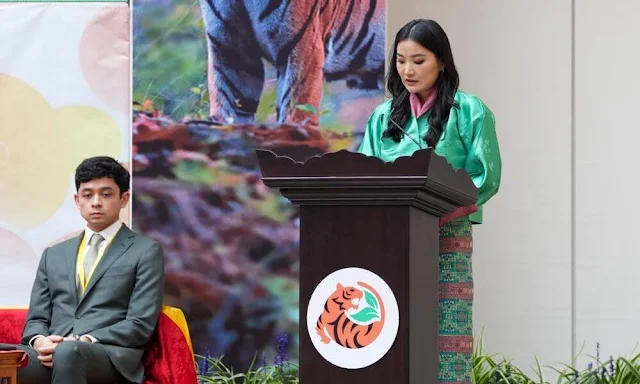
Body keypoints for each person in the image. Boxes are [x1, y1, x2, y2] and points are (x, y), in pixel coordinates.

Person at [357, 19, 501, 383]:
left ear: (442, 62)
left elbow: (486, 177)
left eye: (418, 60)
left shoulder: (470, 111)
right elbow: (364, 177)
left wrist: (437, 214)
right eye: (401, 60)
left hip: (447, 236)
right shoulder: (381, 117)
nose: (407, 70)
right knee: (390, 328)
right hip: (390, 242)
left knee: (447, 334)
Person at [0, 156, 165, 384]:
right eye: (87, 195)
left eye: (106, 194)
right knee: (8, 358)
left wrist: (82, 340)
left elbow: (139, 323)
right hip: (52, 351)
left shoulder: (146, 251)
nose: (95, 202)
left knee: (69, 353)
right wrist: (39, 341)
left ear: (124, 198)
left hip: (108, 354)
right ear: (77, 200)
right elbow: (36, 317)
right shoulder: (53, 254)